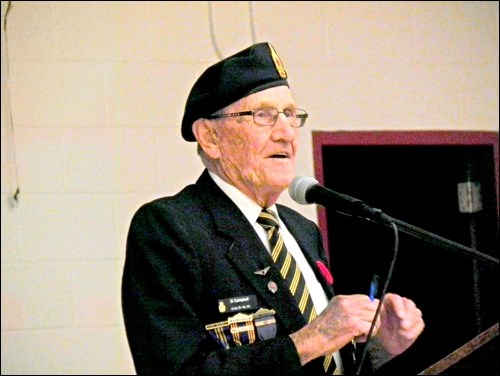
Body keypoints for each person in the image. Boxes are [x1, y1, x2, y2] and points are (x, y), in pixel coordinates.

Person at [121, 42, 424, 375]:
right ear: (209, 137)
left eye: (291, 116)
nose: (286, 134)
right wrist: (314, 338)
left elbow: (328, 363)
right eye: (262, 116)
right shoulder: (172, 227)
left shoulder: (302, 231)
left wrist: (379, 348)